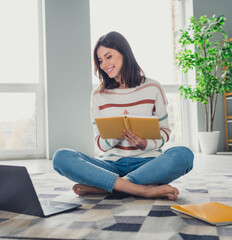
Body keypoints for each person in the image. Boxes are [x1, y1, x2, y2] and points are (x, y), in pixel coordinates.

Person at [52, 31, 193, 200]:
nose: (104, 64)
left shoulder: (153, 87)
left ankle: (107, 187)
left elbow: (165, 131)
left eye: (108, 56)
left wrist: (145, 143)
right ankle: (141, 190)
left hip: (148, 165)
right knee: (61, 157)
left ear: (124, 53)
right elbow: (99, 143)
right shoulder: (98, 94)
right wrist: (115, 136)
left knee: (184, 155)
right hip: (109, 165)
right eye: (100, 61)